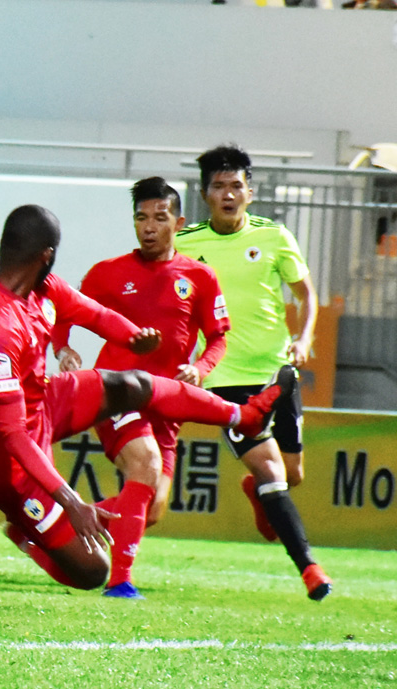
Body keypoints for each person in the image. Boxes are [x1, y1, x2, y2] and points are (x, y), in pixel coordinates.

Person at [0, 204, 286, 596]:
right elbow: (13, 436)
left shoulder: (42, 288)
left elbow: (94, 314)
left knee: (134, 384)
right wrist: (72, 502)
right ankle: (28, 534)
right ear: (47, 255)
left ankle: (244, 416)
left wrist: (132, 337)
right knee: (92, 571)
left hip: (41, 402)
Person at [54, 177, 230, 598]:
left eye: (159, 218)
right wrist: (63, 348)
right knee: (146, 463)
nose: (149, 227)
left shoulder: (200, 277)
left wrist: (200, 368)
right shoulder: (108, 273)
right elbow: (64, 312)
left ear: (179, 223)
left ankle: (48, 526)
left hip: (168, 401)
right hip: (118, 392)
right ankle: (120, 582)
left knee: (151, 508)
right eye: (141, 218)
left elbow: (218, 337)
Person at [174, 144, 331, 601]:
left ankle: (256, 490)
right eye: (219, 186)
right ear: (205, 194)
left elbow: (306, 294)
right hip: (225, 380)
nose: (228, 194)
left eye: (236, 186)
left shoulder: (275, 237)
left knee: (292, 474)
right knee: (270, 469)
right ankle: (310, 569)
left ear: (250, 192)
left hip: (278, 375)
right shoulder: (186, 245)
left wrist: (303, 339)